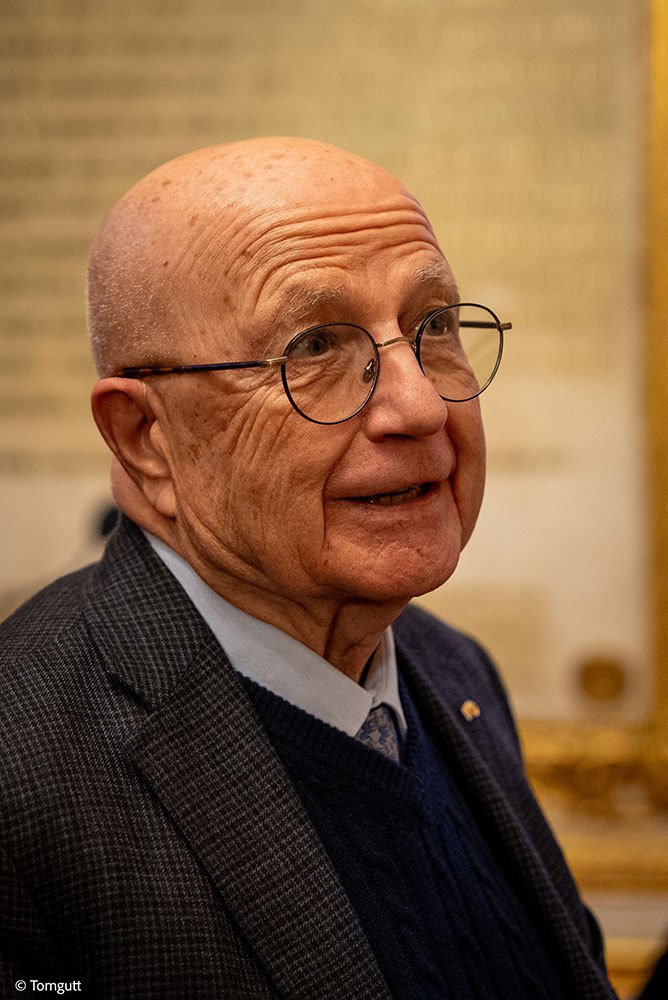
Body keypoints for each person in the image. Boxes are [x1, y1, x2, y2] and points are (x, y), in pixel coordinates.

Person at [0, 137, 617, 999]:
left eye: (435, 327)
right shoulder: (20, 771)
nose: (419, 404)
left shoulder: (453, 669)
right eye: (316, 345)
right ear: (146, 440)